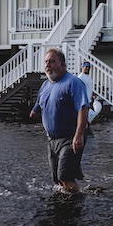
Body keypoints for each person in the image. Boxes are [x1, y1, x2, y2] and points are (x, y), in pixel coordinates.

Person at [30, 48, 90, 194]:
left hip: (70, 138)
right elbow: (37, 108)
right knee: (57, 179)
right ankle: (67, 202)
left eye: (52, 61)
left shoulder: (73, 82)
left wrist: (78, 135)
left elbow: (83, 108)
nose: (48, 65)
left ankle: (75, 207)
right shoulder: (45, 85)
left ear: (63, 65)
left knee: (65, 176)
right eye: (46, 62)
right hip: (52, 140)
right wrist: (35, 113)